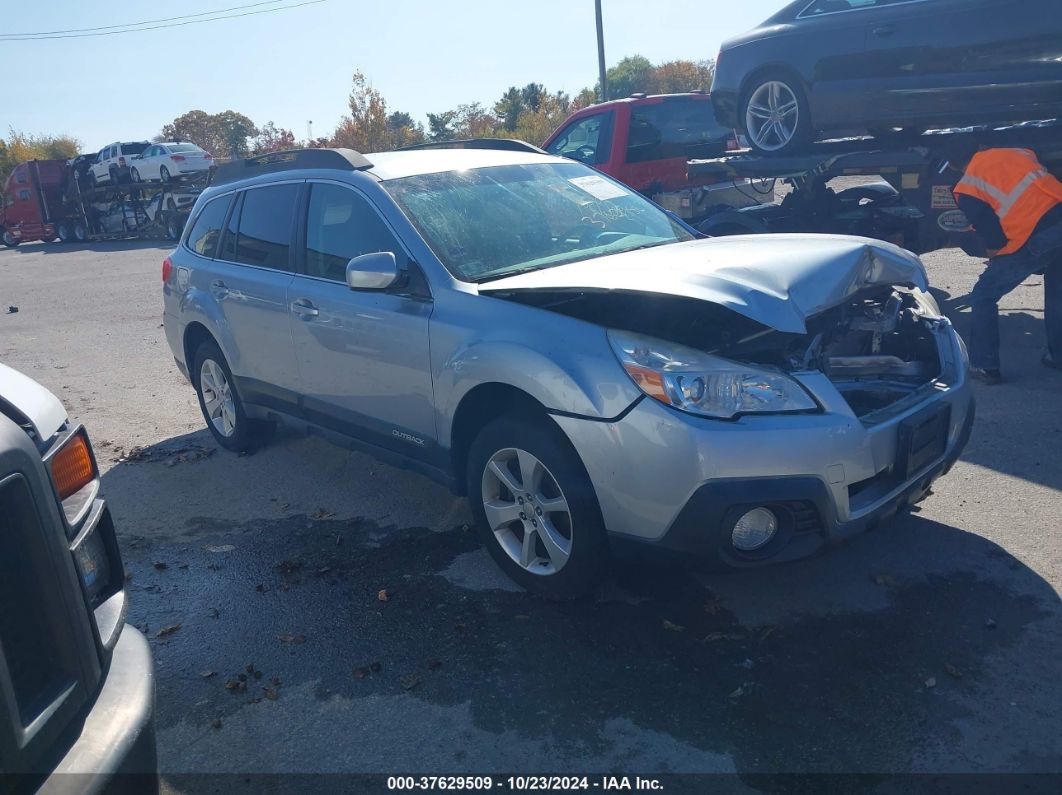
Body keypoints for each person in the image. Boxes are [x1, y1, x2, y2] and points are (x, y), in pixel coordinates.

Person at [948, 141, 1062, 385]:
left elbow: (993, 235)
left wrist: (994, 260)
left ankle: (984, 366)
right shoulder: (1017, 152)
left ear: (956, 166)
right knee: (1057, 290)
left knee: (983, 295)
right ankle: (1058, 356)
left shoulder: (967, 187)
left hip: (1036, 237)